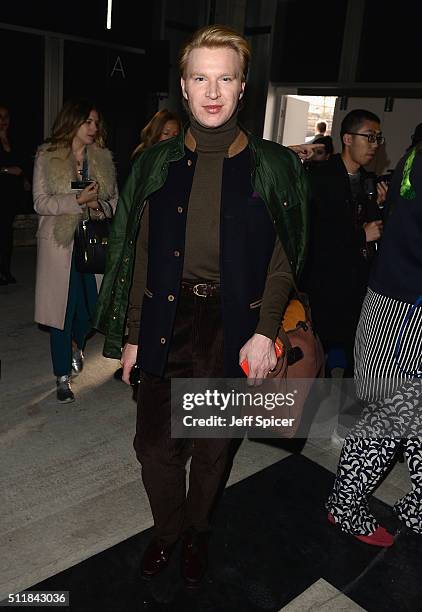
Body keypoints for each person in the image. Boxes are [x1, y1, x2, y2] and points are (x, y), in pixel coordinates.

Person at [94, 25, 309, 587]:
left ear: (242, 88)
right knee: (155, 448)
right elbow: (137, 256)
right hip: (167, 319)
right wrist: (134, 335)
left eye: (225, 78)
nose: (212, 91)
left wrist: (265, 332)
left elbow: (284, 258)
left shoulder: (276, 165)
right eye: (200, 78)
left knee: (214, 449)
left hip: (233, 326)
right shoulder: (154, 164)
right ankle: (168, 532)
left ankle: (196, 533)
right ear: (183, 88)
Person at [326, 140, 422, 547]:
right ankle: (344, 507)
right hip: (402, 308)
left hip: (401, 301)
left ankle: (417, 507)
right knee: (389, 417)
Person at [302, 109, 388, 442]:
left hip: (359, 283)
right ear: (348, 139)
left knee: (360, 354)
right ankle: (310, 419)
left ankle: (348, 423)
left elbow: (375, 230)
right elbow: (316, 237)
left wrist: (379, 207)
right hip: (326, 284)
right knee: (318, 355)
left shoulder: (368, 180)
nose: (375, 144)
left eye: (378, 138)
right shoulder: (321, 178)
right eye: (370, 136)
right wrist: (359, 236)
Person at [33, 98, 118, 403]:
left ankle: (75, 346)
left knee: (93, 309)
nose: (94, 128)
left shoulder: (103, 160)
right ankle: (61, 377)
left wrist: (97, 205)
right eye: (88, 122)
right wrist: (77, 201)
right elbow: (40, 202)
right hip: (59, 245)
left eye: (96, 123)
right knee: (62, 313)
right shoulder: (47, 155)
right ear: (73, 122)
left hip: (92, 244)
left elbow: (114, 204)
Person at [113, 109, 182, 381]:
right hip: (141, 239)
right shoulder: (144, 159)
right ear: (155, 134)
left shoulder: (179, 161)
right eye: (166, 133)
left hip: (164, 240)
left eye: (176, 135)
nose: (171, 139)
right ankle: (132, 354)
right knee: (137, 296)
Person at [0, 104, 30, 285]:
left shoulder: (14, 139)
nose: (3, 121)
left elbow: (22, 165)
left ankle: (5, 271)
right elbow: (11, 167)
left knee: (6, 233)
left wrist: (24, 177)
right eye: (0, 117)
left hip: (10, 193)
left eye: (6, 117)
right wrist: (5, 169)